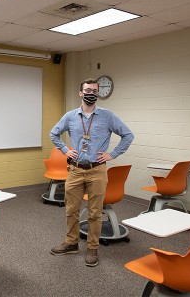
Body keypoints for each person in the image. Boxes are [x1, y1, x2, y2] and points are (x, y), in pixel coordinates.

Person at [49, 77, 134, 267]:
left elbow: (128, 135)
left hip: (97, 171)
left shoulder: (107, 116)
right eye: (87, 90)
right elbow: (53, 133)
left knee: (95, 212)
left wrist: (112, 154)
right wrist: (65, 150)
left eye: (94, 91)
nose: (91, 94)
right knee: (71, 209)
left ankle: (92, 248)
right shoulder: (70, 116)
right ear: (80, 93)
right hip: (75, 170)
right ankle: (71, 243)